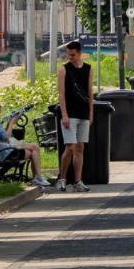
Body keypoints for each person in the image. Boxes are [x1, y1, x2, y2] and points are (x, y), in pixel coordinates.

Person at [0, 97, 49, 188]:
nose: (0, 106)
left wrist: (9, 123)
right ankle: (37, 178)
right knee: (35, 147)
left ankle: (37, 178)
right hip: (7, 151)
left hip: (5, 148)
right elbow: (6, 138)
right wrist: (11, 124)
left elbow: (2, 136)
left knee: (33, 150)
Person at [56, 39, 93, 192]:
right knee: (70, 146)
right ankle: (62, 178)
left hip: (83, 112)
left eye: (73, 55)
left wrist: (91, 113)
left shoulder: (88, 69)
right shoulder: (64, 70)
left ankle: (78, 181)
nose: (70, 57)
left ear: (79, 54)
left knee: (80, 147)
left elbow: (90, 92)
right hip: (70, 114)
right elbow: (61, 94)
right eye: (68, 55)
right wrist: (64, 114)